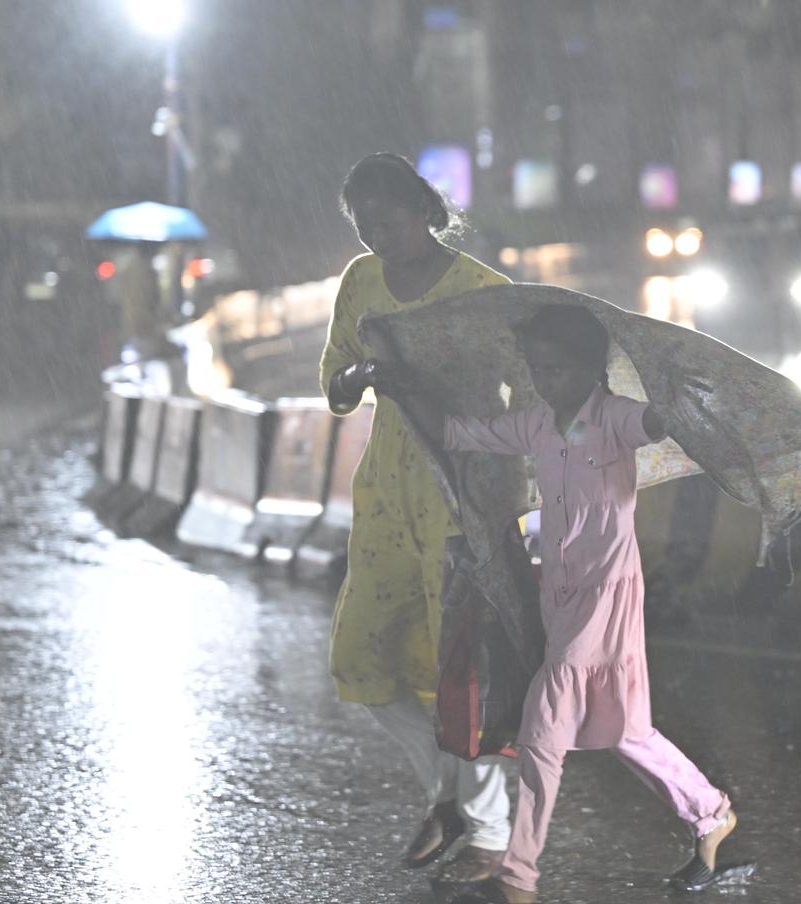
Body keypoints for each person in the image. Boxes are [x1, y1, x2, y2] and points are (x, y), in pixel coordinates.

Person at [380, 304, 738, 903]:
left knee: (544, 726)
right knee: (625, 729)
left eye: (559, 368)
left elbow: (660, 422)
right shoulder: (540, 426)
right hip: (562, 595)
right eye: (538, 368)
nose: (547, 380)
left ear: (593, 367)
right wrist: (396, 387)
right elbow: (455, 433)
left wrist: (674, 391)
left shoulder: (616, 419)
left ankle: (519, 875)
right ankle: (709, 812)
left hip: (609, 593)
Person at [319, 153, 512, 883]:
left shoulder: (483, 292)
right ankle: (447, 795)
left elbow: (516, 400)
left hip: (462, 493)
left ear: (424, 211)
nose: (376, 237)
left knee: (464, 670)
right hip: (386, 495)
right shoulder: (360, 281)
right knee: (361, 657)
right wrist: (360, 378)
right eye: (364, 226)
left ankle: (491, 830)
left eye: (388, 221)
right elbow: (336, 377)